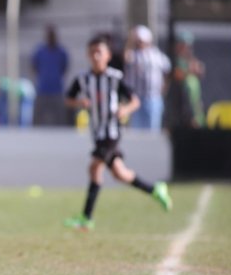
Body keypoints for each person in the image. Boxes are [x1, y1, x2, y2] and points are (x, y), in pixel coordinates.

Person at [63, 35, 173, 230]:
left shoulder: (115, 78)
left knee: (94, 168)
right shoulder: (82, 79)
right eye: (93, 52)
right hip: (97, 133)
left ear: (107, 55)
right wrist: (80, 103)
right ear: (88, 55)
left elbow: (135, 101)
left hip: (111, 132)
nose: (96, 56)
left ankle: (86, 218)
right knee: (120, 174)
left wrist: (125, 110)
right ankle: (155, 189)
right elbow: (68, 99)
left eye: (100, 52)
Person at [123, 25, 171, 131]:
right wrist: (130, 39)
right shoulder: (133, 54)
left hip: (153, 97)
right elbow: (126, 57)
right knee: (137, 130)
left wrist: (164, 87)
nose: (140, 43)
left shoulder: (157, 55)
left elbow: (167, 71)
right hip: (136, 98)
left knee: (153, 129)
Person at [31, 25, 69, 126]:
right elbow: (34, 66)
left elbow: (64, 68)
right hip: (42, 90)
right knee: (39, 120)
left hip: (57, 90)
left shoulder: (61, 52)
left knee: (59, 119)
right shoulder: (40, 51)